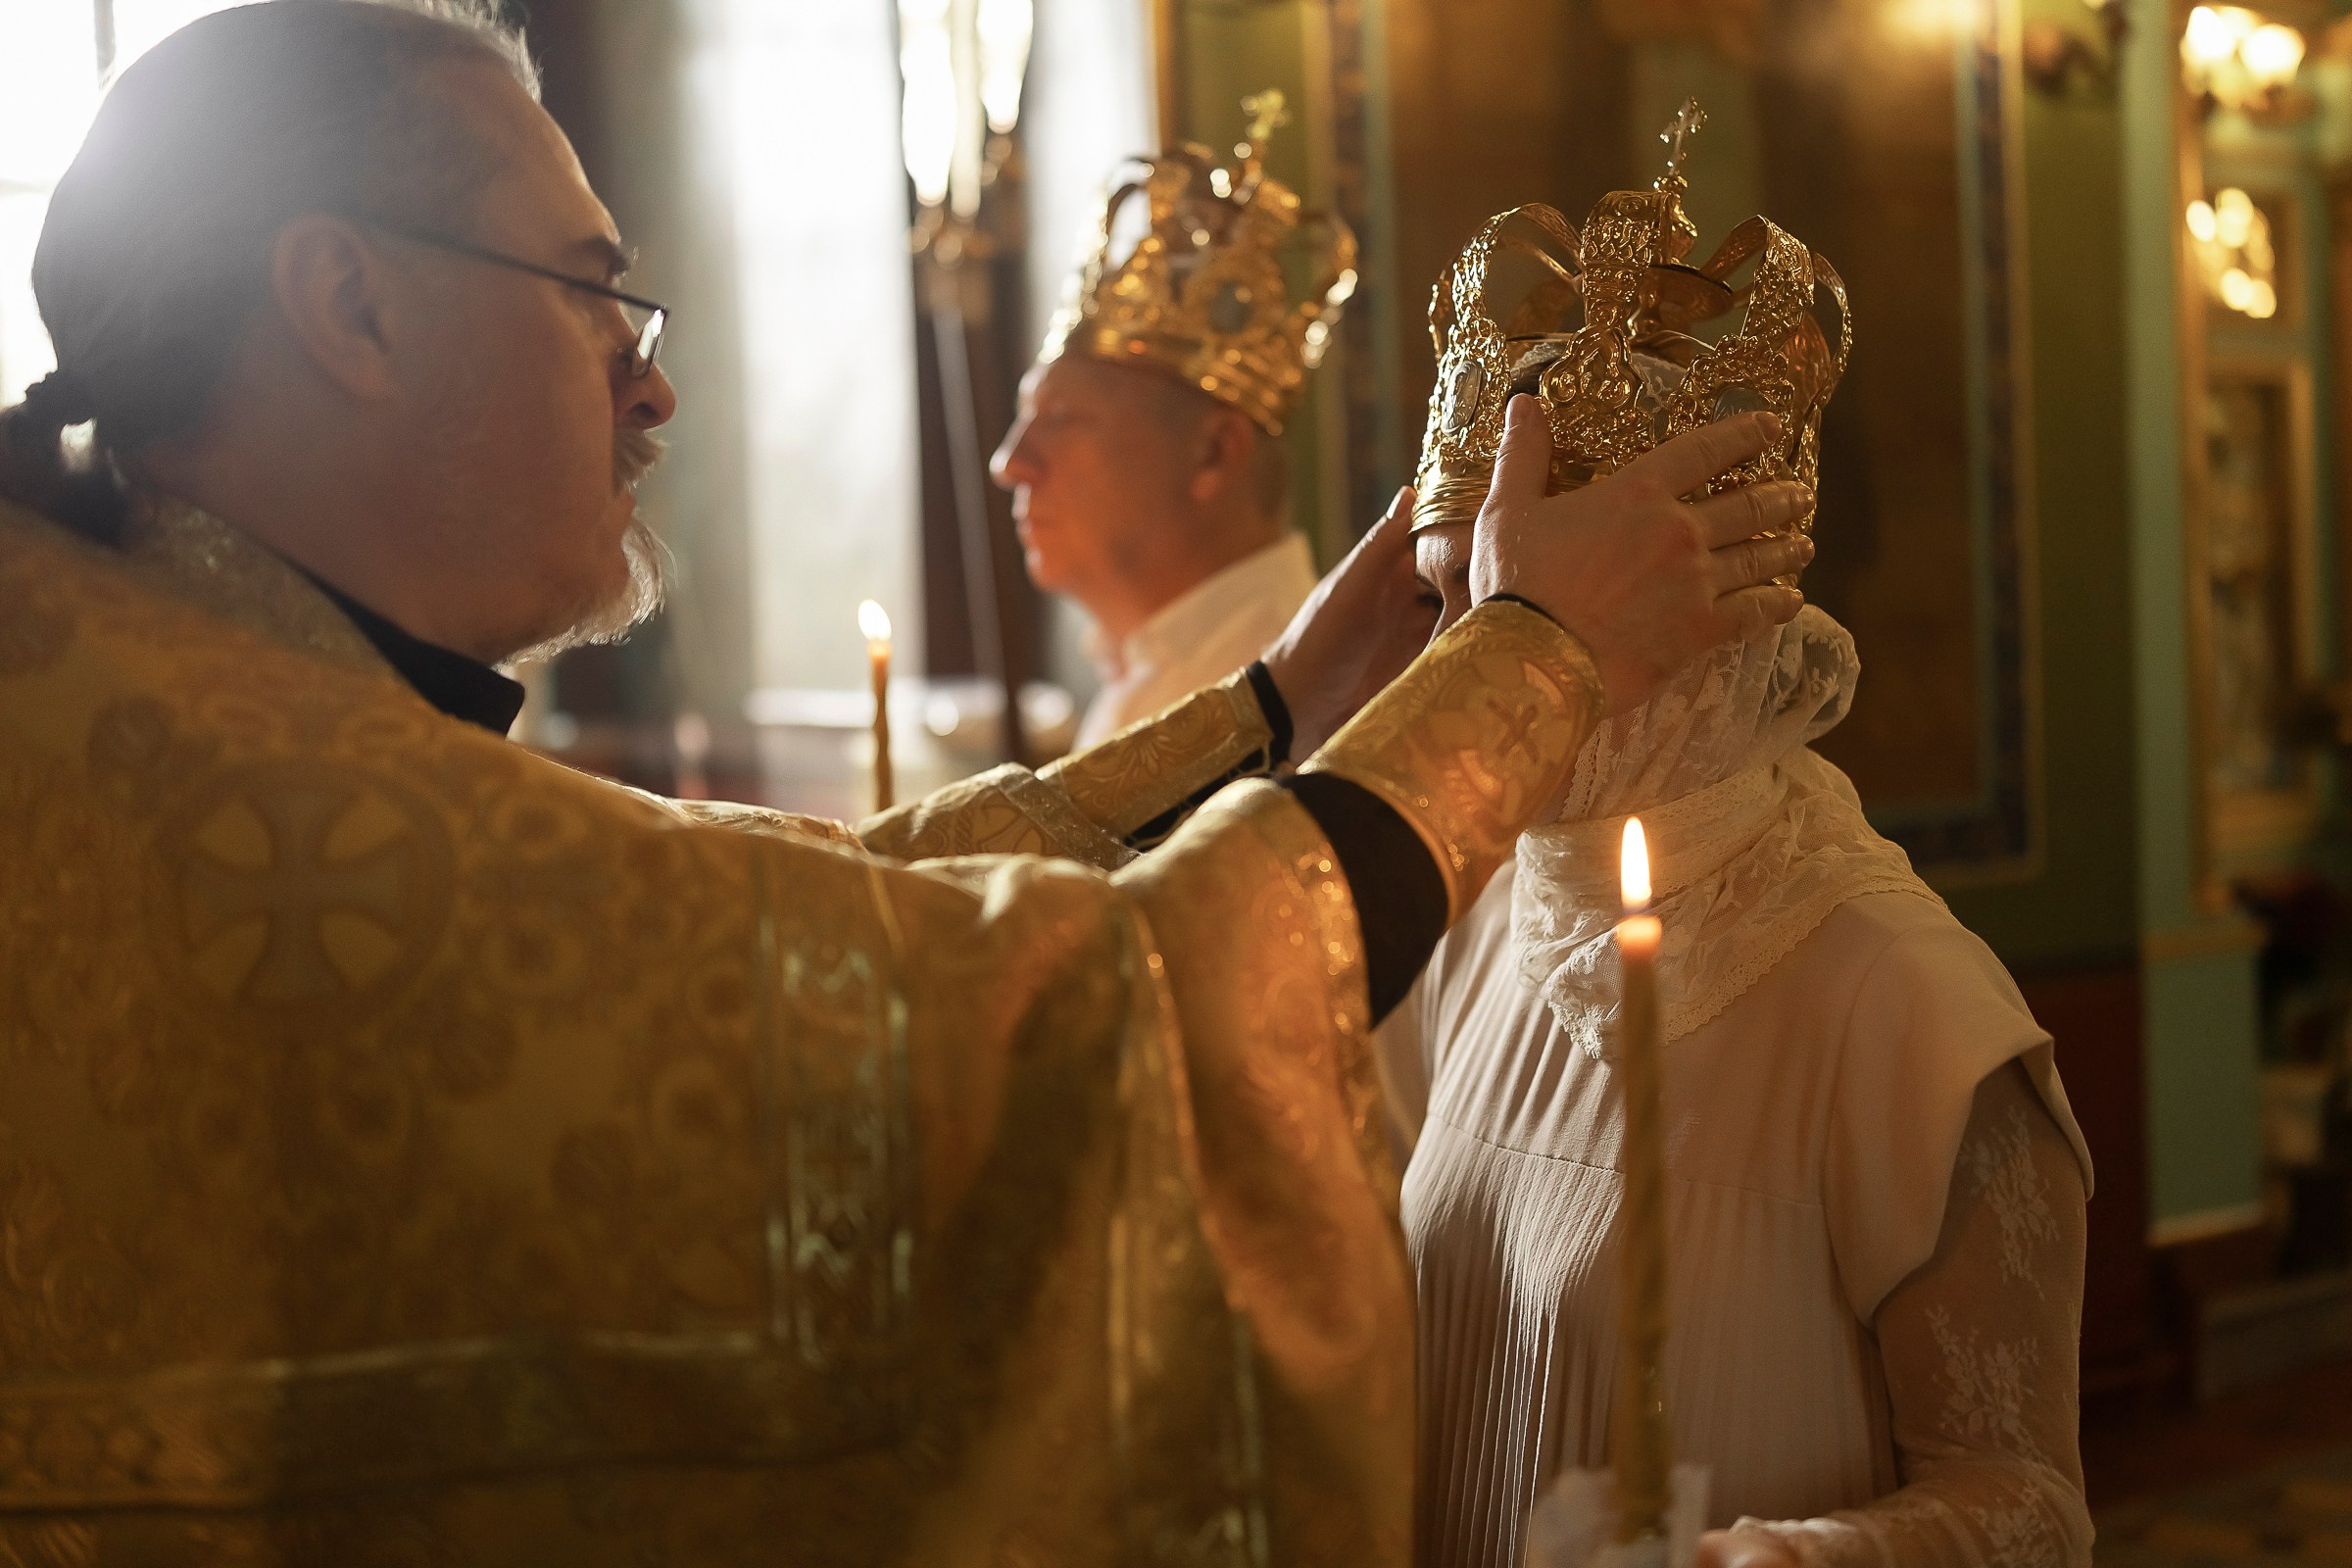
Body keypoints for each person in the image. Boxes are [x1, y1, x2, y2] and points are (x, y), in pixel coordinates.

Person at [0, 4, 1815, 1561]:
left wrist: (1275, 708)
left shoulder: (158, 698)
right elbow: (1058, 1034)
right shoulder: (249, 794)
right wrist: (1538, 659)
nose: (653, 392)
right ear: (348, 303)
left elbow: (811, 908)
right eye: (592, 293)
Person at [1384, 404, 2095, 1568]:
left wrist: (1777, 1559)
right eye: (1441, 598)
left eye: (1509, 595)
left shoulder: (1899, 998)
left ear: (1689, 599)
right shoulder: (1478, 922)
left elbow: (2031, 1505)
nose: (1456, 664)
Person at [991, 103, 1340, 748]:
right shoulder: (1153, 681)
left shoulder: (1281, 707)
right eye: (1024, 420)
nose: (1010, 463)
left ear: (1214, 454)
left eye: (1060, 418)